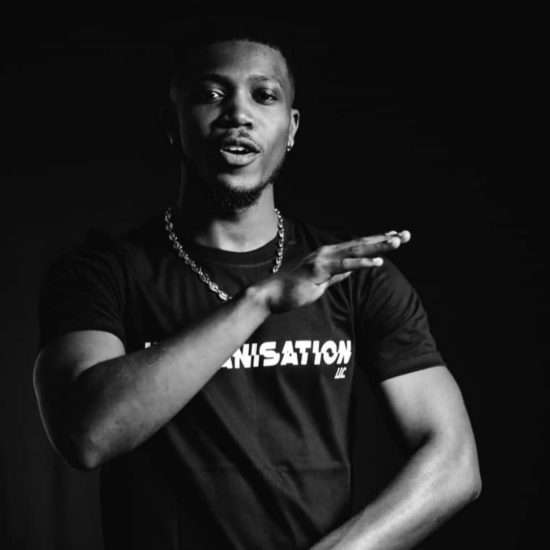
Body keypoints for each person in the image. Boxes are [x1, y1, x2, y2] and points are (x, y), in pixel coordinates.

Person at [33, 19, 481, 550]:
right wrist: (260, 300)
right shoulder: (102, 273)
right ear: (173, 123)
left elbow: (454, 462)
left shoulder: (352, 275)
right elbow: (88, 435)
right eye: (211, 94)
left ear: (291, 128)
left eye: (263, 95)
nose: (238, 114)